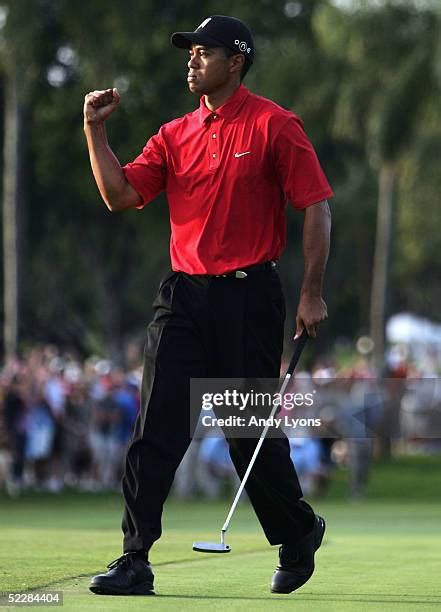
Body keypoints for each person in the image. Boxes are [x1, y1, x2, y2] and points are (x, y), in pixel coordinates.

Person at [84, 15, 332, 596]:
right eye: (190, 52)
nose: (192, 60)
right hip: (183, 296)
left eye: (204, 51)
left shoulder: (275, 125)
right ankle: (135, 556)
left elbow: (317, 205)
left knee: (246, 433)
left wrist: (311, 292)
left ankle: (298, 531)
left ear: (236, 61)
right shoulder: (174, 134)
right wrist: (96, 132)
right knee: (157, 427)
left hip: (250, 296)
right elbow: (121, 195)